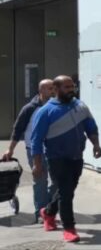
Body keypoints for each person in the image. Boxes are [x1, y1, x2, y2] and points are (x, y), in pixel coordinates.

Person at [30, 76, 101, 243]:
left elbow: (91, 126)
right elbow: (36, 140)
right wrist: (37, 164)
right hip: (56, 158)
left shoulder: (80, 106)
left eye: (72, 86)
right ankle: (69, 228)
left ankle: (48, 212)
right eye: (67, 87)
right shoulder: (45, 111)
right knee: (66, 192)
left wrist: (96, 145)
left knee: (67, 190)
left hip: (76, 156)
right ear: (56, 89)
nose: (71, 90)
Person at [2, 79, 57, 223]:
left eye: (54, 88)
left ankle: (48, 208)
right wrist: (10, 149)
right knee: (40, 181)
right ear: (41, 90)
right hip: (35, 151)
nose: (53, 91)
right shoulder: (30, 108)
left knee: (57, 182)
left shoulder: (57, 106)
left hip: (55, 150)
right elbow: (18, 129)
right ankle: (42, 214)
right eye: (50, 88)